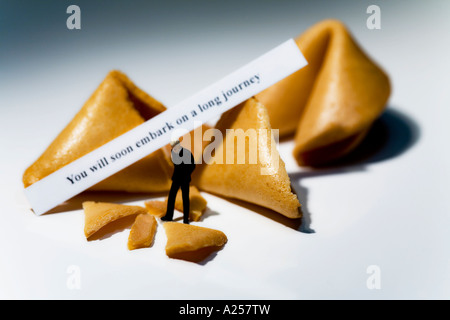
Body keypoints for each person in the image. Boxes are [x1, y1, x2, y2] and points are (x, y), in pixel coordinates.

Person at [161, 139, 196, 224]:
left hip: (184, 179)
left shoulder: (187, 153)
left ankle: (186, 219)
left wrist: (187, 174)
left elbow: (193, 165)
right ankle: (169, 216)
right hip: (176, 178)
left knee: (185, 198)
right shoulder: (173, 152)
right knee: (171, 197)